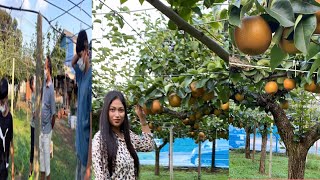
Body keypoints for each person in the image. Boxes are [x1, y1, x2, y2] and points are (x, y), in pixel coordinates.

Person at [92, 91, 154, 180]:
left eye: (121, 110)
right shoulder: (100, 139)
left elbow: (149, 145)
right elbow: (101, 177)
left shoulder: (128, 135)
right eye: (112, 110)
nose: (117, 115)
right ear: (106, 111)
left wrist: (143, 119)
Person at [72, 29, 92, 180]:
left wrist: (89, 169)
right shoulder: (81, 75)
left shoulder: (91, 79)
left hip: (86, 153)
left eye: (81, 54)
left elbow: (93, 126)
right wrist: (79, 53)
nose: (78, 59)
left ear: (87, 52)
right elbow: (73, 63)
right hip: (79, 149)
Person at [40, 56, 56, 180]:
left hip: (47, 130)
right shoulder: (43, 85)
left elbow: (54, 114)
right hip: (41, 129)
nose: (44, 70)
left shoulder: (51, 89)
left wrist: (49, 129)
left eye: (45, 68)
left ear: (49, 69)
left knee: (47, 163)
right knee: (42, 163)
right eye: (43, 68)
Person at [0, 78, 14, 180]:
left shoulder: (9, 118)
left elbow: (11, 143)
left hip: (4, 164)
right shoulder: (7, 117)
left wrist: (12, 166)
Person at [29, 76, 35, 178]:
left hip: (39, 126)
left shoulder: (38, 95)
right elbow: (33, 113)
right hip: (34, 125)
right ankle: (31, 170)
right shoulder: (33, 96)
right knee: (33, 147)